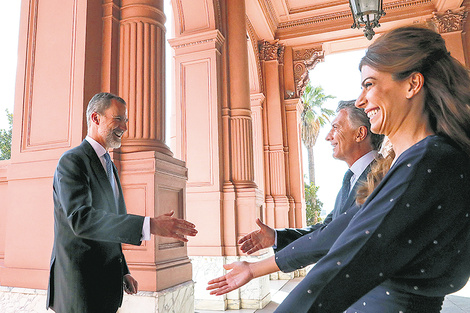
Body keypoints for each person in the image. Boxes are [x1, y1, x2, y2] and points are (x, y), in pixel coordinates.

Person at [208, 26, 470, 312]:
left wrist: (256, 269)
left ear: (412, 84)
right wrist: (258, 263)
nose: (360, 99)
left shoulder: (428, 161)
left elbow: (342, 260)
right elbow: (338, 229)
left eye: (369, 84)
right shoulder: (423, 161)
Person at [47, 92, 198, 313]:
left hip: (106, 284)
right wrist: (150, 225)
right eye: (118, 119)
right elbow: (81, 220)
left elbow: (111, 221)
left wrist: (122, 269)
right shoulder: (72, 161)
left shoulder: (109, 165)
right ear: (95, 118)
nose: (124, 127)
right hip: (79, 287)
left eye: (125, 120)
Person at [238, 100, 383, 258]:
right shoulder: (351, 178)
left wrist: (255, 269)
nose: (328, 137)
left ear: (360, 134)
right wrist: (276, 237)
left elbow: (334, 238)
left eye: (335, 127)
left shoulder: (380, 177)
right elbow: (327, 230)